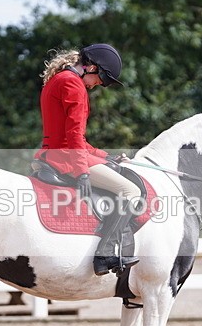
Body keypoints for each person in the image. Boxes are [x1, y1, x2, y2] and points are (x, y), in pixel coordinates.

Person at [33, 44, 142, 276]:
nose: (99, 84)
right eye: (102, 79)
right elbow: (74, 135)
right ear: (91, 67)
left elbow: (76, 139)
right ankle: (106, 253)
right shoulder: (73, 84)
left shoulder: (58, 79)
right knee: (130, 191)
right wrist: (82, 171)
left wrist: (106, 157)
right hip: (66, 158)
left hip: (56, 152)